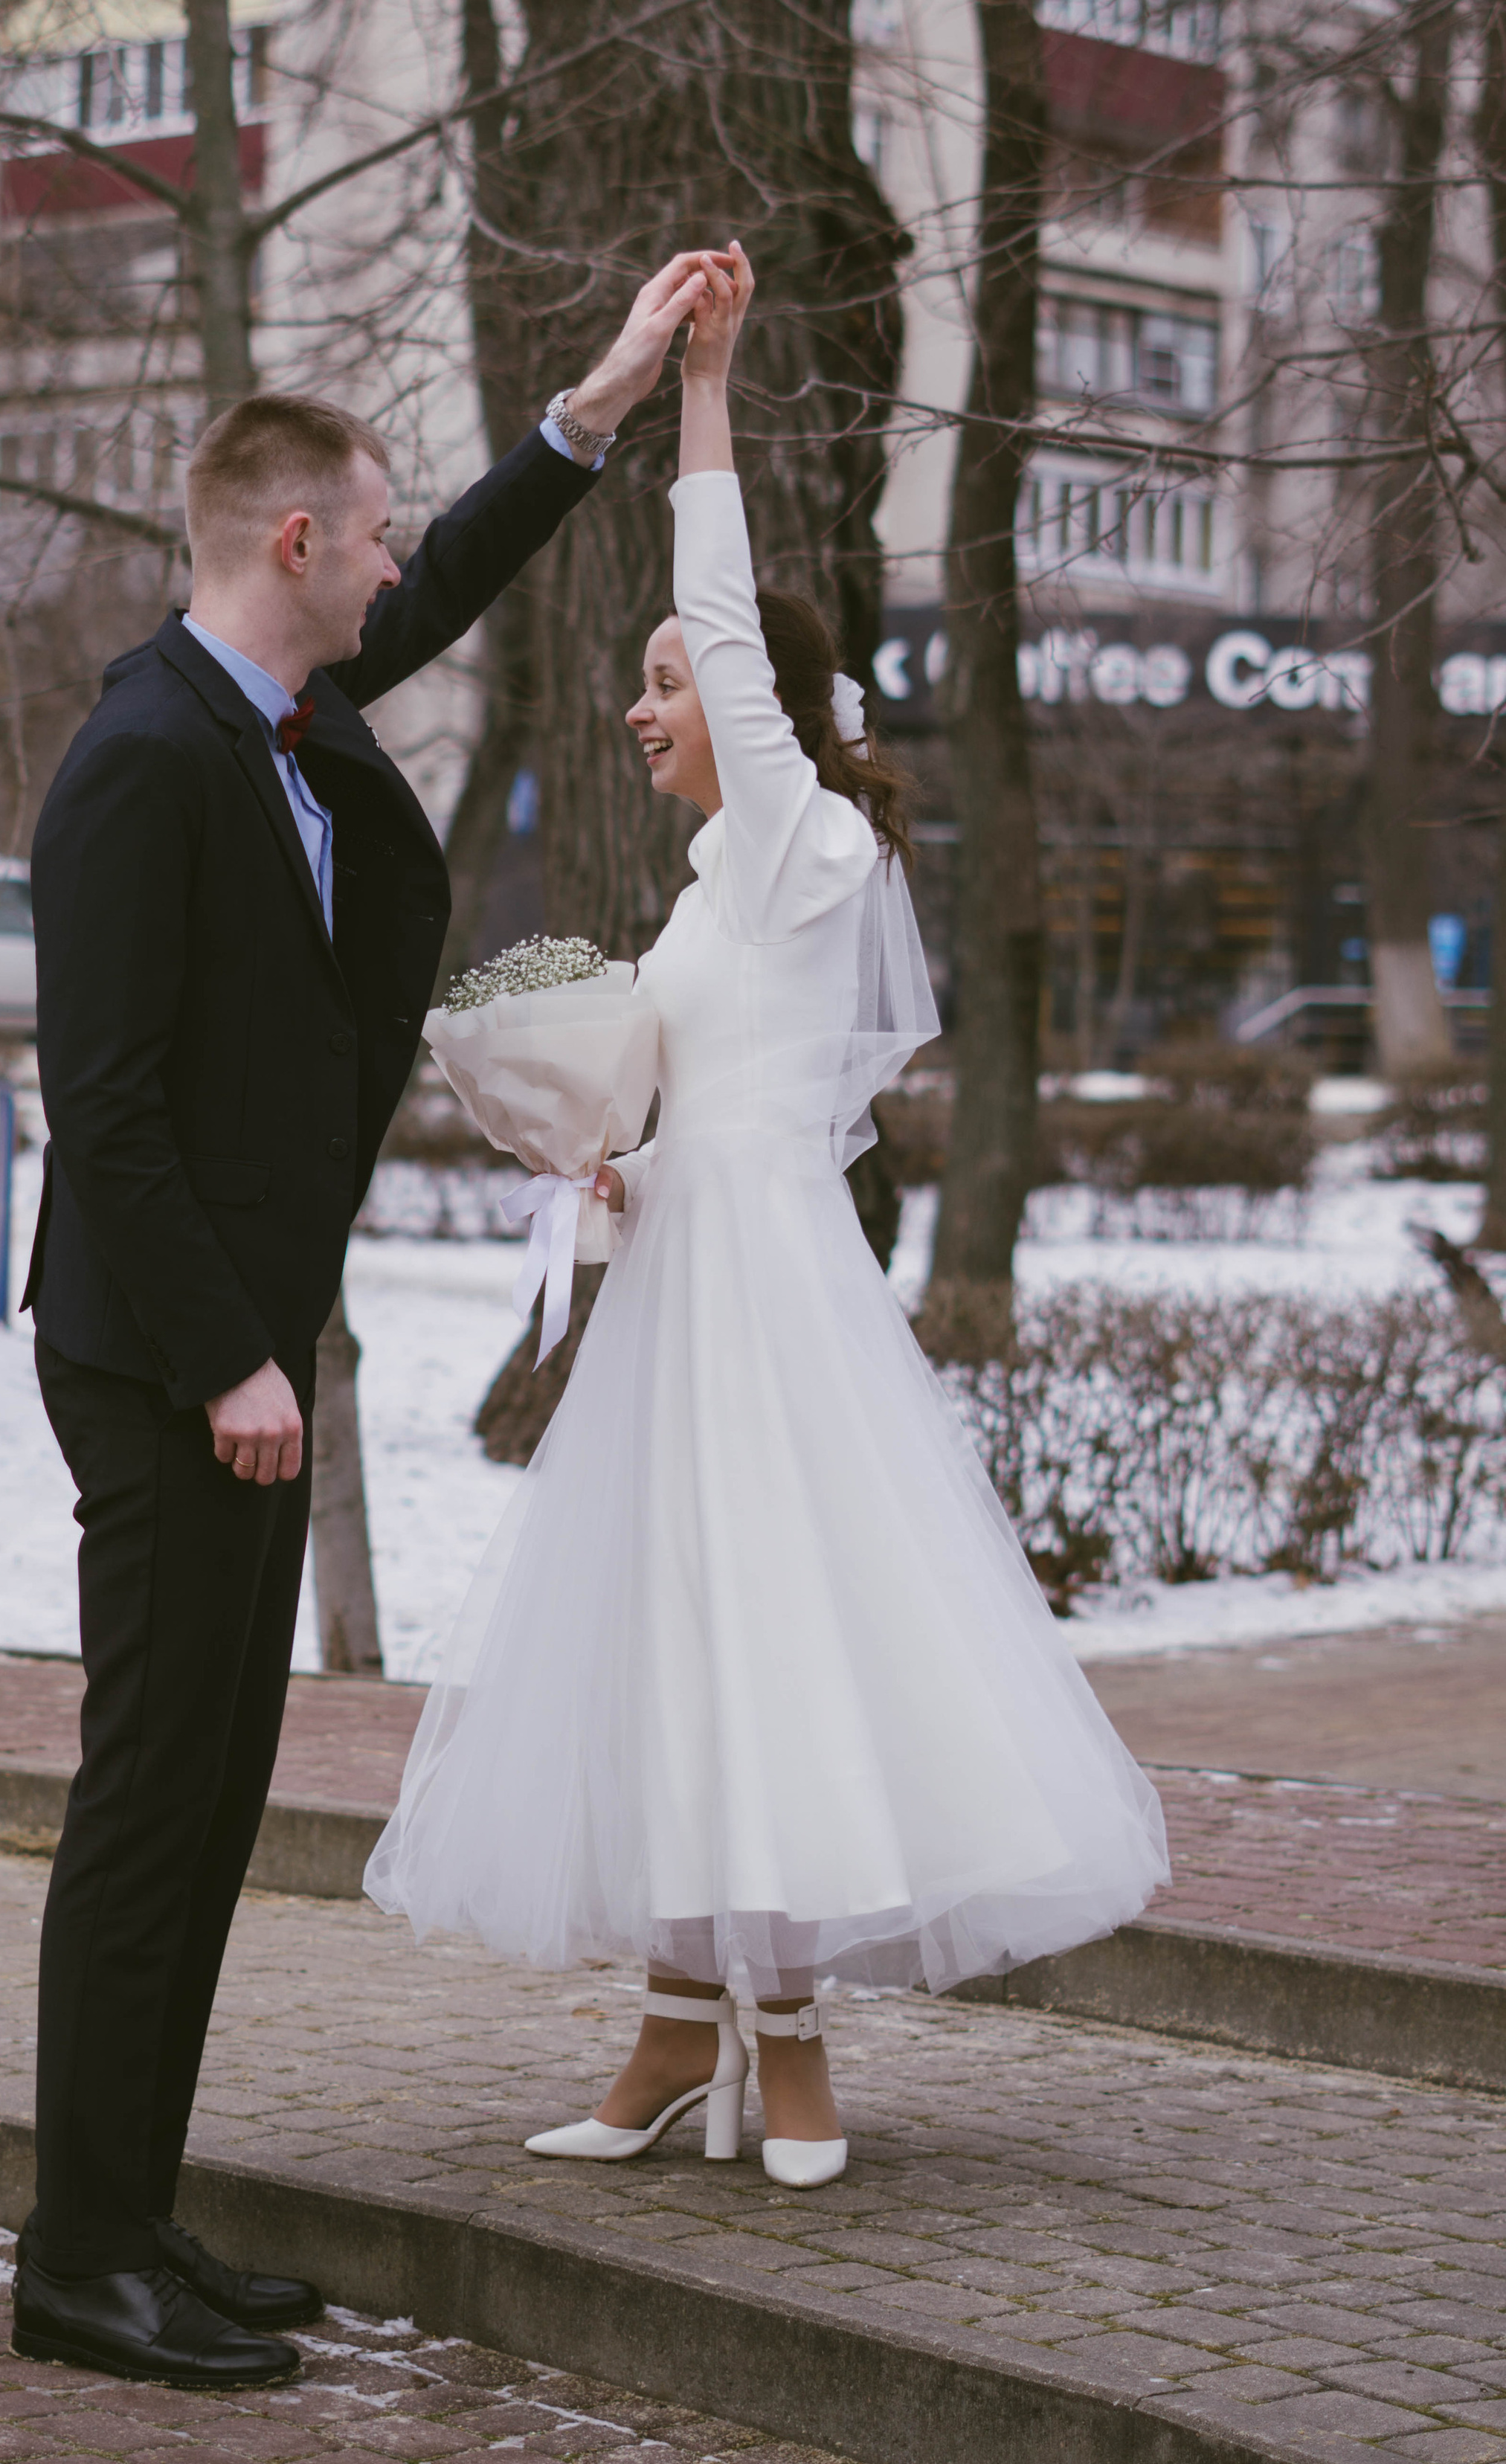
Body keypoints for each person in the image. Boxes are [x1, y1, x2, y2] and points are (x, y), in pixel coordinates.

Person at [366, 245, 1168, 2188]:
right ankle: (664, 2037)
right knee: (668, 1651)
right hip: (675, 1305)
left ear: (772, 710)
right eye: (648, 685)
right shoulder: (711, 894)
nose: (650, 709)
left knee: (778, 1651)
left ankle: (789, 2047)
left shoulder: (807, 845)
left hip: (778, 1326)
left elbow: (724, 614)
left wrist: (701, 386)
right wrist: (601, 1148)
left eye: (669, 687)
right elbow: (696, 1089)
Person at [15, 254, 717, 2392]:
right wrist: (240, 1356)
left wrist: (594, 409)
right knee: (151, 1801)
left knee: (214, 1799)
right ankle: (78, 2262)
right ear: (296, 540)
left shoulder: (281, 714)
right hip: (162, 1357)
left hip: (224, 1336)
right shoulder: (147, 756)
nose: (398, 560)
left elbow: (445, 597)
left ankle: (134, 2221)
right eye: (380, 525)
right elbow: (105, 1108)